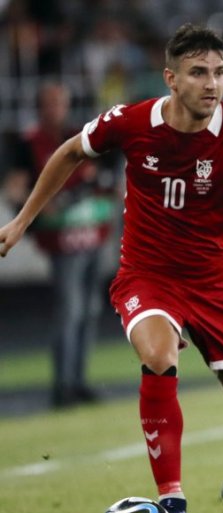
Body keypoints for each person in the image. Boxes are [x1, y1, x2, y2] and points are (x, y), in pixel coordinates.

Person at [0, 23, 223, 513]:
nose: (212, 83)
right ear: (171, 78)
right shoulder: (131, 121)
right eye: (198, 72)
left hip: (219, 283)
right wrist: (21, 221)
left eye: (220, 72)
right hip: (149, 276)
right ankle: (171, 499)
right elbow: (71, 151)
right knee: (159, 354)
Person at [3, 82, 117, 408]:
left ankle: (78, 381)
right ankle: (63, 385)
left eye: (60, 102)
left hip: (92, 232)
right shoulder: (29, 143)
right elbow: (15, 188)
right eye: (50, 103)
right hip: (62, 238)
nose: (56, 109)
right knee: (70, 309)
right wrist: (33, 213)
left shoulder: (80, 135)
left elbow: (106, 177)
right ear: (40, 107)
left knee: (90, 310)